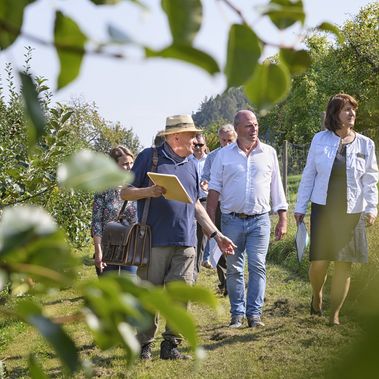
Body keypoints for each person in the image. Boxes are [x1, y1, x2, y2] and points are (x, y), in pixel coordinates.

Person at [121, 114, 236, 360]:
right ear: (175, 137)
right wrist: (149, 191)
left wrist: (216, 234)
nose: (196, 140)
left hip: (186, 243)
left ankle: (170, 345)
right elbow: (125, 193)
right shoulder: (148, 157)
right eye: (191, 135)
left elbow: (195, 204)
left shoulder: (192, 165)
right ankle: (143, 345)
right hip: (153, 242)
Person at [294, 93, 378, 325]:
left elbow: (370, 179)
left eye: (353, 109)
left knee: (344, 264)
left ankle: (334, 315)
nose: (352, 113)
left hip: (352, 212)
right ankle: (317, 295)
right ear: (334, 114)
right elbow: (309, 174)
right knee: (319, 261)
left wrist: (372, 208)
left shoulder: (365, 144)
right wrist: (300, 206)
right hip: (324, 209)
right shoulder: (319, 140)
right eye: (346, 109)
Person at [207, 110, 288, 328]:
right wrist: (210, 225)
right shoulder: (223, 155)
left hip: (260, 220)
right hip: (231, 220)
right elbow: (214, 189)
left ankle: (254, 315)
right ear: (237, 129)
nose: (254, 129)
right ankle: (237, 315)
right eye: (249, 126)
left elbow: (276, 187)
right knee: (234, 269)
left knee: (258, 265)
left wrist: (282, 217)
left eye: (256, 125)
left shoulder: (268, 153)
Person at [200, 124, 237, 297]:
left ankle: (234, 280)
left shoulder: (241, 156)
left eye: (230, 140)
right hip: (219, 205)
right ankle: (225, 281)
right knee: (220, 242)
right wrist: (205, 184)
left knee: (235, 243)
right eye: (224, 140)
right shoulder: (213, 156)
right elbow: (205, 177)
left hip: (236, 205)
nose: (227, 144)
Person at [91, 146, 138, 276]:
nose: (129, 167)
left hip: (131, 248)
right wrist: (98, 250)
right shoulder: (103, 188)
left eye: (131, 163)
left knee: (130, 289)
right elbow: (96, 222)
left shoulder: (138, 187)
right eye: (124, 164)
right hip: (108, 247)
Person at [189, 133, 208, 281]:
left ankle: (194, 274)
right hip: (188, 202)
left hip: (204, 201)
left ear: (205, 146)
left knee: (201, 238)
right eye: (195, 144)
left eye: (200, 145)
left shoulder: (211, 161)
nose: (197, 147)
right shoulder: (187, 160)